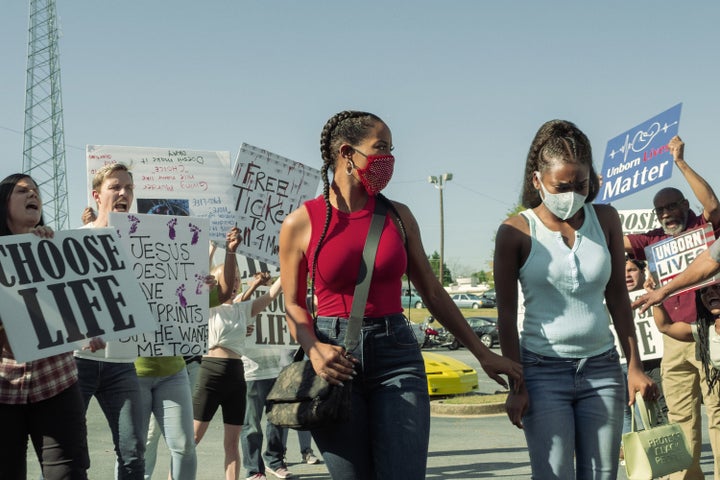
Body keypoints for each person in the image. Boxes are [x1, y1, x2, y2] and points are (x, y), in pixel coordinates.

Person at [278, 110, 523, 479]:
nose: (389, 161)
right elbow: (293, 304)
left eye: (391, 150)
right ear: (347, 153)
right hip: (335, 362)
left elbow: (433, 293)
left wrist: (482, 353)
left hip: (398, 359)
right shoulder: (301, 222)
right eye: (380, 149)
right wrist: (314, 349)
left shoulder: (399, 216)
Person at [494, 120, 656, 478]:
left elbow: (616, 295)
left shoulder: (606, 219)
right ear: (538, 181)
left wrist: (634, 366)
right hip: (540, 372)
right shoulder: (515, 232)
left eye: (580, 185)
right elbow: (505, 315)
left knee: (602, 474)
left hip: (602, 369)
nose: (571, 194)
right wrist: (516, 385)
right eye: (561, 186)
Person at [624, 135, 720, 480]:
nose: (667, 214)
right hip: (675, 341)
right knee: (680, 418)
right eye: (661, 210)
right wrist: (595, 195)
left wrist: (680, 162)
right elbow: (608, 236)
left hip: (713, 333)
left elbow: (713, 204)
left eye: (672, 207)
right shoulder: (651, 240)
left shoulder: (703, 227)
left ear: (685, 206)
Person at [0, 173, 90, 479]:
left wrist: (92, 330)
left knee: (68, 473)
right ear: (3, 203)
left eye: (36, 191)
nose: (32, 195)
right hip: (3, 388)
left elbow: (78, 308)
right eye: (22, 190)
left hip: (57, 383)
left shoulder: (57, 248)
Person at [137, 225, 241, 480]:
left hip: (177, 370)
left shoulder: (189, 287)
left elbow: (225, 292)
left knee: (184, 444)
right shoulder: (135, 282)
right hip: (137, 372)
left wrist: (228, 252)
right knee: (140, 443)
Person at [75, 163, 146, 480]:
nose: (123, 193)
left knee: (132, 453)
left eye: (129, 188)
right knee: (71, 452)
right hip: (78, 362)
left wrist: (193, 285)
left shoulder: (146, 244)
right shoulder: (74, 241)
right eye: (116, 187)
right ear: (96, 195)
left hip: (123, 363)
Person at [193, 267, 282, 480]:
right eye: (227, 279)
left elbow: (273, 293)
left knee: (232, 444)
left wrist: (290, 263)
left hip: (236, 377)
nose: (233, 283)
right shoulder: (207, 306)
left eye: (236, 279)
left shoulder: (244, 308)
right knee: (191, 440)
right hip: (210, 375)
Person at [620, 257, 667, 462]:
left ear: (642, 271)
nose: (627, 275)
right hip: (620, 361)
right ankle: (629, 450)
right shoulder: (612, 297)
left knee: (656, 406)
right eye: (623, 271)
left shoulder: (654, 293)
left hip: (652, 360)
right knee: (623, 407)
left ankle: (662, 447)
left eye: (632, 270)